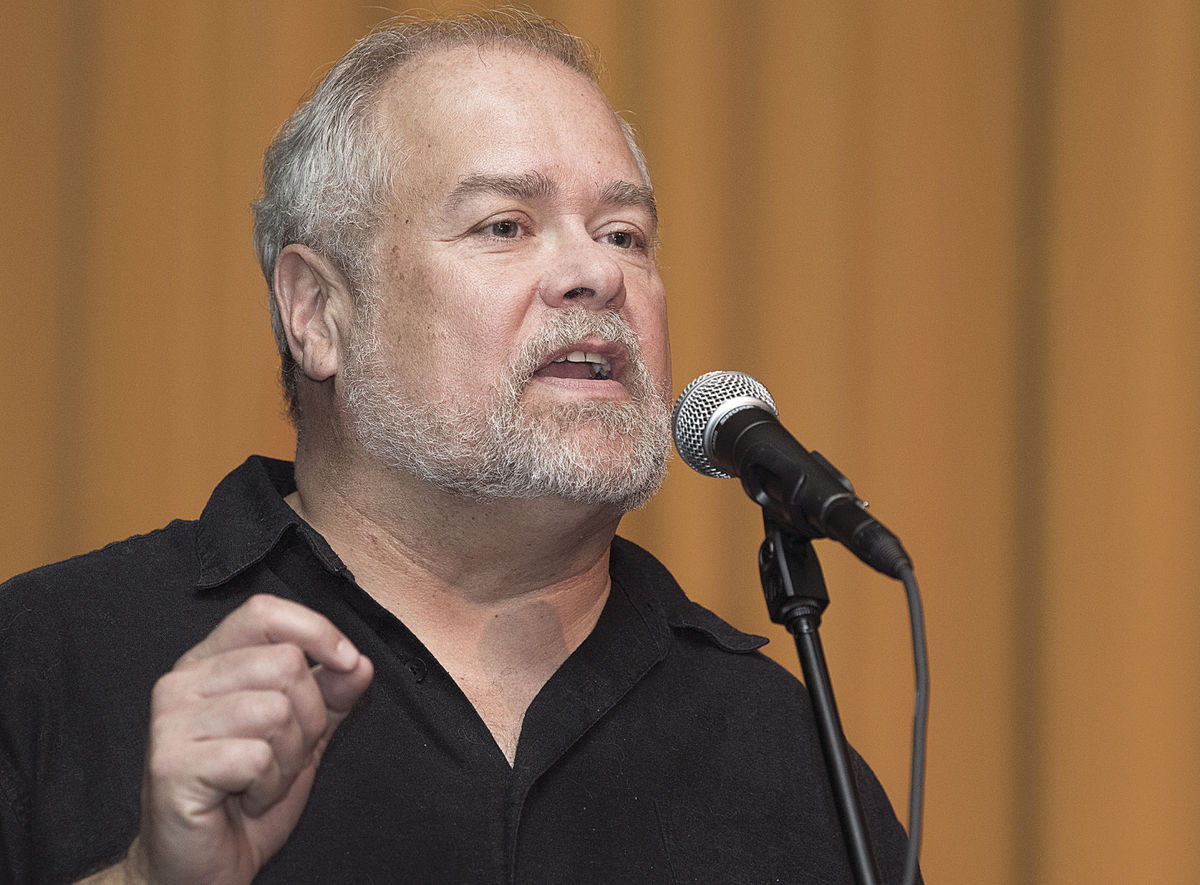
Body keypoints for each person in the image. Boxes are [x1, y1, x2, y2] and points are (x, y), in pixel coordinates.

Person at [0, 10, 918, 884]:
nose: (598, 272)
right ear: (318, 314)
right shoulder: (50, 661)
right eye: (505, 225)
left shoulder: (789, 752)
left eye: (624, 234)